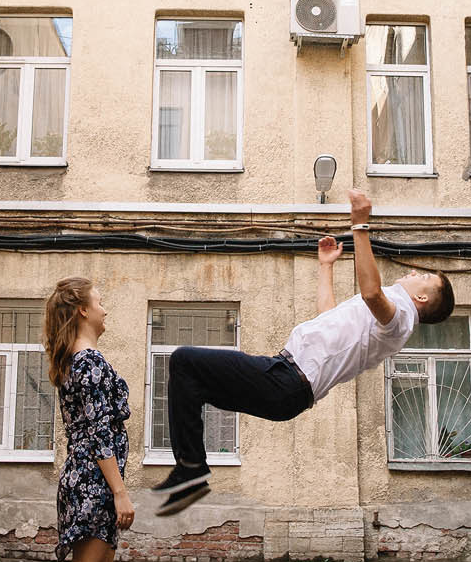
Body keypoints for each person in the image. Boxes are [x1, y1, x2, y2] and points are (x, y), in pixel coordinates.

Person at [150, 189, 453, 515]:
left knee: (184, 360)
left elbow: (370, 292)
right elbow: (329, 317)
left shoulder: (401, 317)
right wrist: (325, 268)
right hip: (285, 384)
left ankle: (191, 468)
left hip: (287, 382)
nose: (412, 273)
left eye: (422, 277)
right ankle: (191, 469)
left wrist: (360, 226)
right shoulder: (387, 318)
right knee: (189, 382)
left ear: (422, 299)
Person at [0, 276, 134, 562]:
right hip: (92, 481)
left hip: (91, 480)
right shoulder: (87, 362)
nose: (106, 310)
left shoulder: (83, 359)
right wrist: (120, 491)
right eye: (100, 302)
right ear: (83, 310)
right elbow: (97, 433)